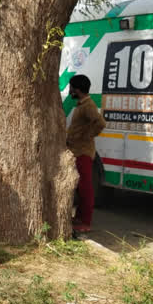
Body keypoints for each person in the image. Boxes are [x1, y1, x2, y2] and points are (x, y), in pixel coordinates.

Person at [66, 74, 106, 234]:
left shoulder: (88, 105)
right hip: (77, 150)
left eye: (71, 88)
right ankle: (80, 217)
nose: (70, 91)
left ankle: (86, 222)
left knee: (86, 188)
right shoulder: (81, 104)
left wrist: (87, 136)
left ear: (77, 89)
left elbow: (100, 123)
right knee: (81, 187)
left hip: (83, 151)